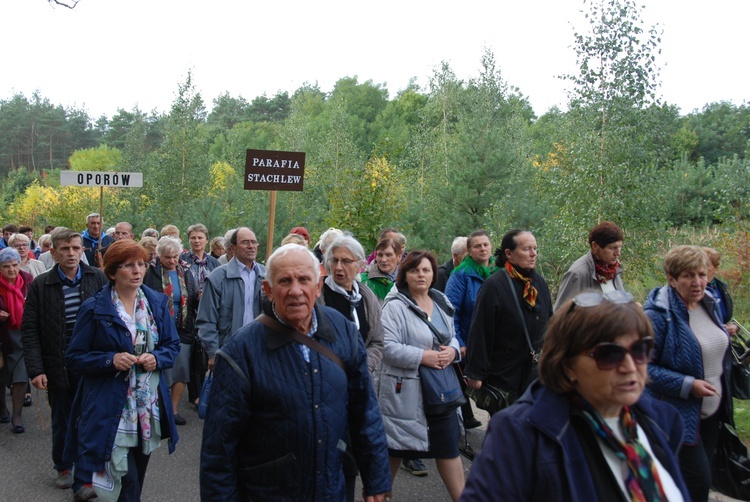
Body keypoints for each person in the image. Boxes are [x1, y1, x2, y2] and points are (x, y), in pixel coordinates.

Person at [200, 244, 391, 501]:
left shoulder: (344, 332)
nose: (296, 290)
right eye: (284, 281)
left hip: (331, 489)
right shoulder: (239, 352)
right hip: (266, 493)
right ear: (267, 290)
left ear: (318, 286)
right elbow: (218, 451)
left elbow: (365, 411)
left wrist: (376, 478)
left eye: (304, 280)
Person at [461, 291, 690, 501]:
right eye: (609, 354)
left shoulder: (660, 421)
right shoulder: (520, 435)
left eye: (640, 349)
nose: (630, 366)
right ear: (568, 364)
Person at [64, 240, 180, 501]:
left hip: (147, 409)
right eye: (129, 265)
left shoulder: (157, 303)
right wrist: (110, 360)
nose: (138, 270)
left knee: (137, 473)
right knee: (124, 482)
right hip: (110, 407)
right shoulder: (95, 309)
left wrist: (156, 358)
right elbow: (74, 358)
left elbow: (172, 346)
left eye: (141, 263)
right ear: (113, 272)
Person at [21, 227, 108, 495]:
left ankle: (91, 466)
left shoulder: (98, 277)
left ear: (82, 250)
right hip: (58, 362)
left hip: (92, 361)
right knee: (63, 417)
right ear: (53, 252)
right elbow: (30, 329)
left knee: (93, 416)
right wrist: (35, 369)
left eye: (76, 248)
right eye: (65, 249)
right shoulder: (41, 284)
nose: (71, 254)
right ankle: (64, 465)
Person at [643, 245, 731, 502]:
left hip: (711, 414)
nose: (697, 282)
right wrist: (686, 384)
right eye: (688, 276)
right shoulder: (658, 315)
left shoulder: (709, 304)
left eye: (702, 274)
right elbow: (643, 369)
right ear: (671, 278)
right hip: (676, 416)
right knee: (696, 482)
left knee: (695, 487)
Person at [377, 250, 465, 500]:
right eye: (415, 270)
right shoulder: (394, 306)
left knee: (448, 450)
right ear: (404, 274)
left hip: (441, 393)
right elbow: (387, 347)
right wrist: (422, 356)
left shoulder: (441, 301)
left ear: (433, 274)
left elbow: (452, 337)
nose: (421, 275)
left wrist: (453, 351)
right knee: (394, 450)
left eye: (426, 270)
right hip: (406, 395)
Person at [464, 229, 553, 408]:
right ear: (509, 254)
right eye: (527, 249)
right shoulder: (494, 285)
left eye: (535, 249)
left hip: (534, 374)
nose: (533, 254)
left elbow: (551, 322)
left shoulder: (538, 283)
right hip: (504, 375)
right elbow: (481, 330)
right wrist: (475, 372)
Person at [144, 236, 199, 426]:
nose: (172, 261)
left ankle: (174, 410)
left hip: (184, 327)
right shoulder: (150, 272)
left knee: (181, 369)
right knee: (163, 369)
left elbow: (191, 296)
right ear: (159, 256)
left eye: (175, 256)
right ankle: (160, 410)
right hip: (158, 328)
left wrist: (199, 296)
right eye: (168, 257)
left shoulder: (186, 270)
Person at [196, 227, 266, 370]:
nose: (251, 246)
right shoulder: (217, 278)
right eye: (245, 242)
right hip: (228, 351)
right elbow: (206, 320)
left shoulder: (266, 276)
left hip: (260, 349)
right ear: (233, 247)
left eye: (254, 242)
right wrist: (213, 352)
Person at [445, 230, 494, 430]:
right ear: (469, 251)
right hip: (469, 346)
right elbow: (451, 312)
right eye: (477, 246)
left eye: (485, 245)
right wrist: (460, 343)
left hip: (491, 346)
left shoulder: (496, 273)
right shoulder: (461, 275)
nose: (482, 249)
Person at [554, 221, 626, 311]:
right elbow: (560, 314)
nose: (618, 253)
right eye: (612, 248)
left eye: (620, 247)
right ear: (595, 246)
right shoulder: (577, 274)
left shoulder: (614, 270)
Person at [0, 248, 33, 434]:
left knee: (21, 375)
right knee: (2, 374)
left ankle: (17, 415)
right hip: (3, 336)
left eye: (14, 265)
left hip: (24, 334)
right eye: (6, 267)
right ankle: (2, 408)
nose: (11, 270)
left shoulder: (28, 281)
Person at [702, 246, 739, 336]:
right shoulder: (692, 291)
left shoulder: (721, 288)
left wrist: (734, 327)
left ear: (716, 269)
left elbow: (724, 318)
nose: (702, 268)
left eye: (706, 265)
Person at [361, 238, 404, 303]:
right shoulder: (364, 281)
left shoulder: (407, 280)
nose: (383, 260)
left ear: (399, 257)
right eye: (380, 255)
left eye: (388, 255)